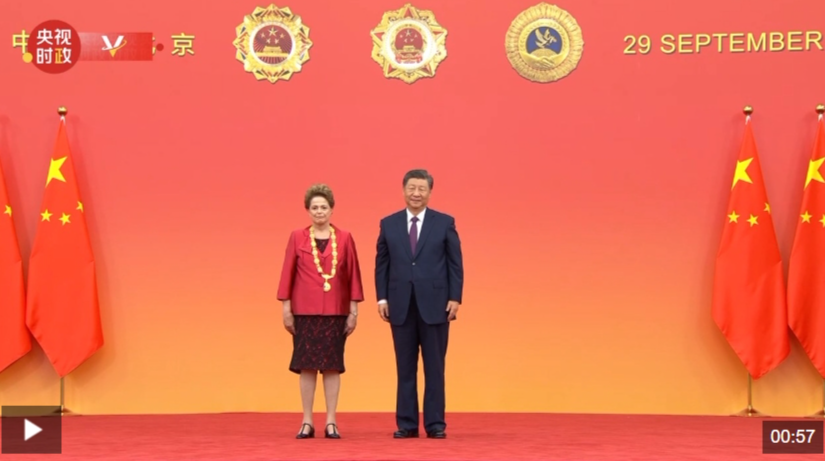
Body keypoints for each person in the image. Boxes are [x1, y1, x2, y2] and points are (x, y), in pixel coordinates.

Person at [375, 169, 464, 439]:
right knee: (405, 368)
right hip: (400, 305)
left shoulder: (444, 223)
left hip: (436, 305)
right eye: (411, 188)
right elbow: (382, 264)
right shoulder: (388, 224)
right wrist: (382, 297)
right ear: (403, 190)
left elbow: (455, 264)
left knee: (435, 367)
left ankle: (435, 424)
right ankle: (407, 424)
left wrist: (455, 298)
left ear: (430, 192)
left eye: (421, 189)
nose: (416, 193)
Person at [277, 184, 364, 439]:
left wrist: (353, 311)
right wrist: (286, 308)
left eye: (323, 207)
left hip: (336, 312)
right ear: (307, 210)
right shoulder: (297, 237)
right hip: (304, 311)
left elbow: (353, 275)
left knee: (332, 366)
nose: (319, 211)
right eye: (314, 207)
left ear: (332, 209)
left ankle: (331, 422)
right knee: (306, 366)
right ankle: (306, 421)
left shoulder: (345, 238)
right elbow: (287, 273)